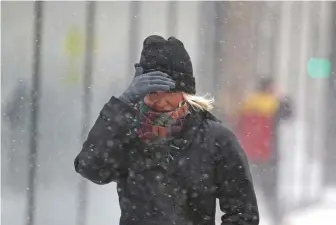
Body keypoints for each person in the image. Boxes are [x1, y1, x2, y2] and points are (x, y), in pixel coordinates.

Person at [74, 35, 259, 225]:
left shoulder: (216, 139)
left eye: (170, 92)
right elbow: (91, 168)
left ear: (186, 95)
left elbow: (243, 214)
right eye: (152, 92)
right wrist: (122, 105)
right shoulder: (128, 133)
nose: (161, 102)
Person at [235, 77, 292, 225]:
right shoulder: (273, 104)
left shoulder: (247, 103)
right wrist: (282, 96)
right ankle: (278, 219)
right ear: (270, 89)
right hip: (268, 154)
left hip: (248, 154)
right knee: (270, 191)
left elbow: (238, 126)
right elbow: (289, 113)